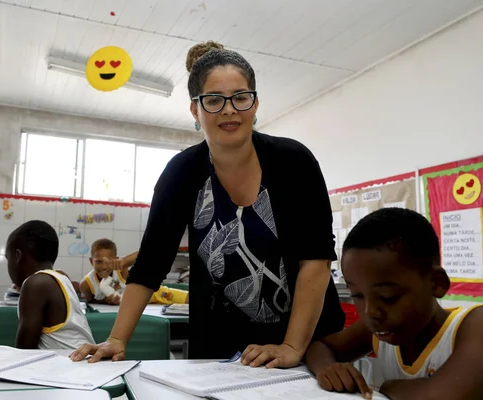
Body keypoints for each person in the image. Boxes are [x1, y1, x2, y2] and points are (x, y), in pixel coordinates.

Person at [70, 40, 344, 365]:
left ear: (255, 104)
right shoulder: (181, 173)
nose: (229, 109)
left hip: (311, 344)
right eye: (213, 100)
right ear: (195, 109)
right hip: (222, 346)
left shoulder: (293, 161)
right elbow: (152, 263)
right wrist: (116, 339)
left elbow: (316, 259)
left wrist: (293, 347)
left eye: (240, 97)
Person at [305, 208, 483, 400]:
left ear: (436, 283)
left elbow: (440, 396)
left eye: (387, 296)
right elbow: (321, 347)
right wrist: (328, 368)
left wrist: (387, 387)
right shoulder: (378, 329)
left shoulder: (474, 325)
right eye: (357, 294)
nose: (370, 311)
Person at [5, 220, 94, 350]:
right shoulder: (61, 277)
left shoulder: (36, 284)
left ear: (18, 256)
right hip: (82, 363)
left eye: (8, 258)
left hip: (70, 367)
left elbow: (24, 351)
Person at [80, 238, 188, 305]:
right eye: (98, 262)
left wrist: (123, 261)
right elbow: (91, 303)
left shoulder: (120, 269)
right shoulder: (86, 284)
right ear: (91, 261)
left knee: (189, 299)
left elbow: (145, 253)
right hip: (135, 306)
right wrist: (105, 301)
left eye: (108, 262)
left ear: (116, 259)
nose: (103, 267)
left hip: (154, 294)